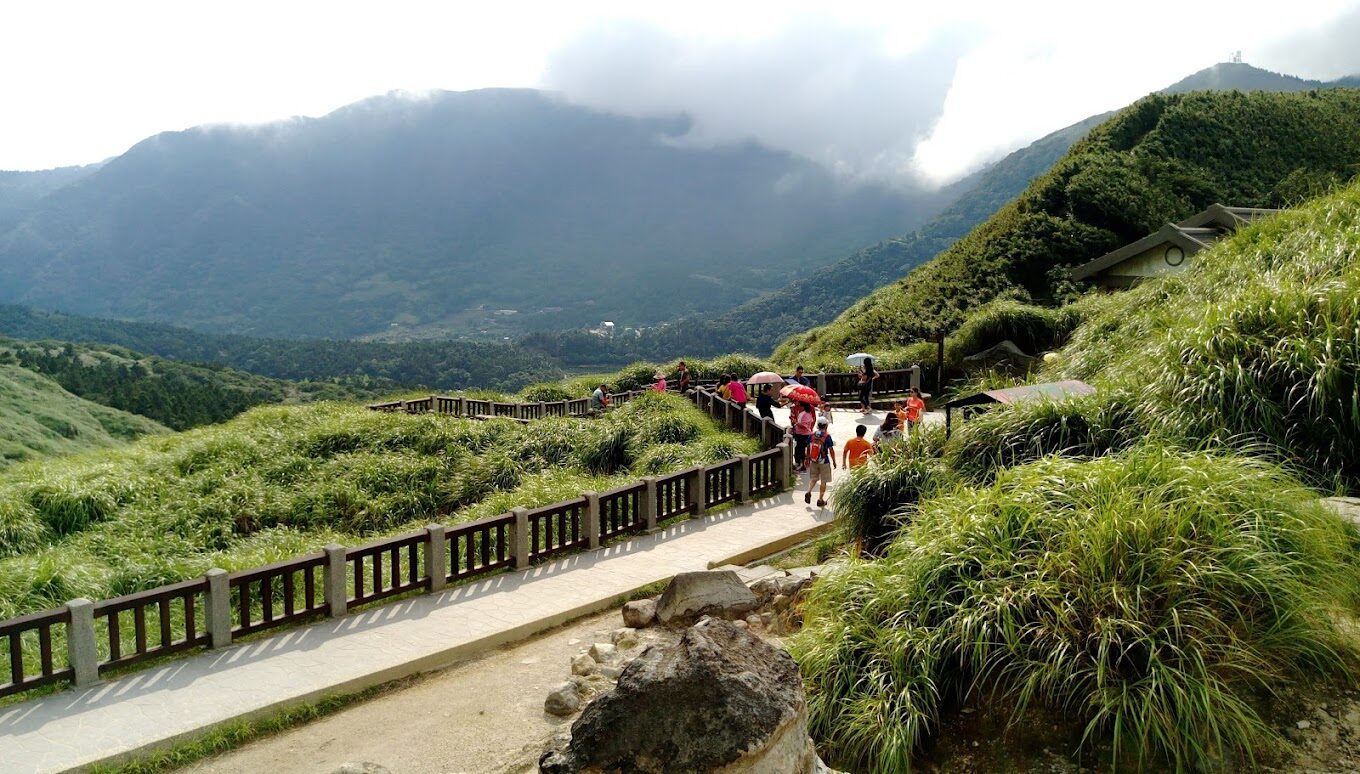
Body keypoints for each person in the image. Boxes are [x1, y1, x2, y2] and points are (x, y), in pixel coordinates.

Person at [804, 415, 836, 508]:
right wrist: (834, 461)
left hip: (813, 460)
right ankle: (820, 499)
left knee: (813, 478)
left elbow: (808, 447)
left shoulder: (812, 435)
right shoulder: (827, 436)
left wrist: (807, 458)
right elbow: (831, 450)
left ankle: (809, 491)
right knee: (823, 481)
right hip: (824, 461)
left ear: (817, 425)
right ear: (826, 425)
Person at [792, 401, 815, 470]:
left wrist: (796, 423)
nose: (799, 407)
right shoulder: (803, 413)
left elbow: (804, 426)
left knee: (801, 449)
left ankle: (802, 465)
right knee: (799, 448)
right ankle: (800, 463)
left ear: (803, 407)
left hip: (804, 434)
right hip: (799, 433)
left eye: (800, 406)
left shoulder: (806, 414)